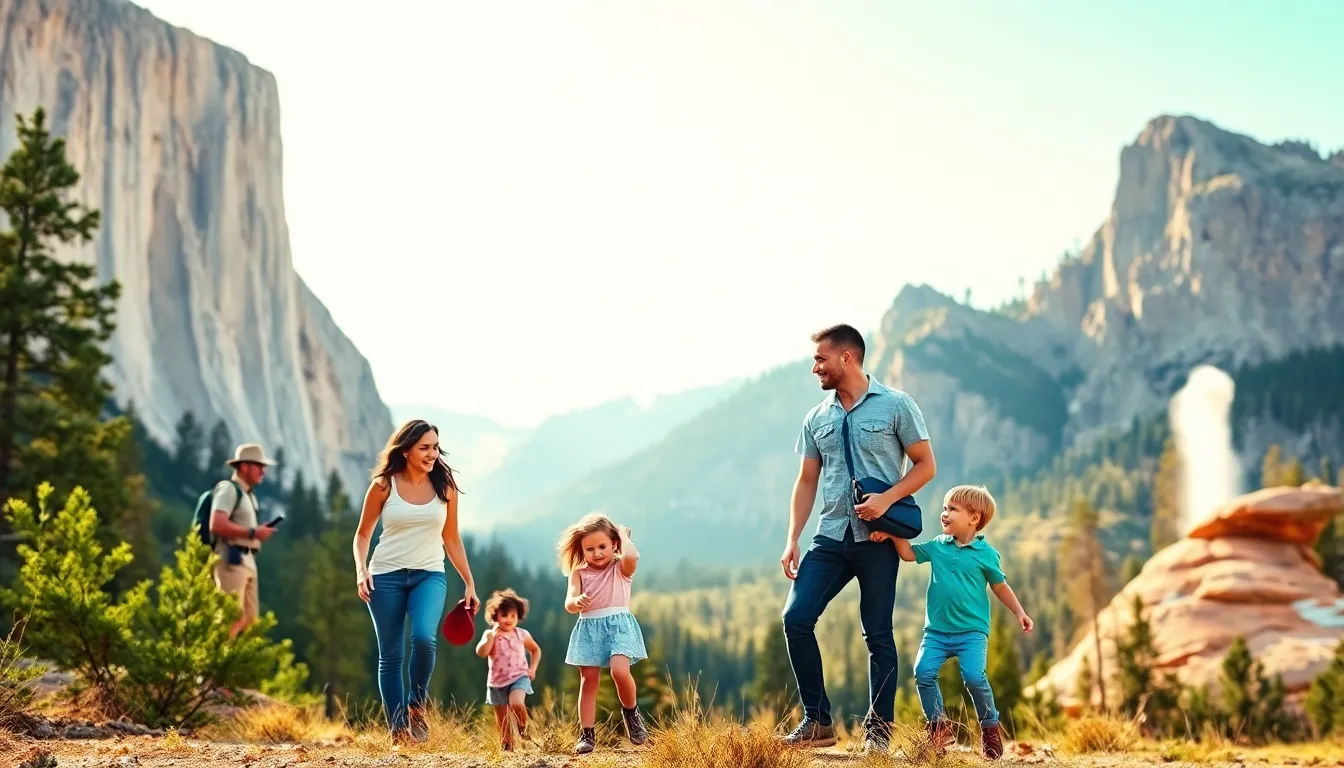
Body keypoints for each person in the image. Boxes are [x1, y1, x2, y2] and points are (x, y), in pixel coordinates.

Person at [779, 324, 937, 752]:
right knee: (795, 619)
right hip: (829, 538)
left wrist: (886, 501)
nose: (815, 368)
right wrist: (793, 538)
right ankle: (817, 722)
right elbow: (806, 480)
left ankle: (879, 735)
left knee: (878, 635)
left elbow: (925, 465)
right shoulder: (816, 418)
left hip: (879, 540)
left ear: (847, 357)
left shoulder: (896, 405)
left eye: (820, 359)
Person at [870, 484, 1033, 760]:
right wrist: (892, 534)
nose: (944, 514)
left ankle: (990, 728)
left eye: (952, 509)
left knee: (973, 677)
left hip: (971, 632)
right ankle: (938, 727)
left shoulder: (986, 555)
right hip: (936, 632)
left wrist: (1019, 612)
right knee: (923, 672)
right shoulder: (937, 546)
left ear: (974, 518)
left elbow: (1000, 587)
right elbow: (909, 554)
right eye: (945, 508)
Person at [354, 419, 479, 746]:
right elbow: (363, 534)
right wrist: (361, 569)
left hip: (429, 575)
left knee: (424, 637)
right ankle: (398, 731)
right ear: (406, 449)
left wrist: (469, 582)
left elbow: (451, 539)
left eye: (435, 447)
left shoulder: (445, 486)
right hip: (385, 576)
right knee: (391, 655)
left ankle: (416, 705)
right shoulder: (384, 485)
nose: (432, 453)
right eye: (424, 447)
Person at [559, 513, 649, 755]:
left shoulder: (621, 568)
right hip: (589, 627)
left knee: (620, 670)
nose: (597, 553)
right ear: (581, 549)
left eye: (602, 546)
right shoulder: (579, 572)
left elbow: (630, 555)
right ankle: (586, 734)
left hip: (619, 626)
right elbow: (569, 602)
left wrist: (622, 536)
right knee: (589, 681)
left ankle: (631, 713)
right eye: (590, 549)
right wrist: (576, 601)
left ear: (614, 544)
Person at [210, 442, 279, 638]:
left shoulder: (248, 495)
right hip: (231, 560)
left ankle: (232, 661)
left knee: (249, 621)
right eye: (259, 466)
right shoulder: (229, 489)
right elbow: (217, 524)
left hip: (247, 561)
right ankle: (217, 663)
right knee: (230, 617)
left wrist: (256, 533)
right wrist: (253, 533)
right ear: (243, 466)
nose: (263, 471)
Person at [476, 588, 543, 751]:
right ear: (495, 616)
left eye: (513, 616)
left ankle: (523, 727)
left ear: (518, 616)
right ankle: (507, 749)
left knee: (516, 703)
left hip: (519, 677)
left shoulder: (521, 634)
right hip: (497, 682)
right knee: (503, 721)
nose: (509, 620)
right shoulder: (490, 635)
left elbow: (535, 650)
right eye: (504, 615)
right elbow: (481, 652)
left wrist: (532, 668)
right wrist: (488, 640)